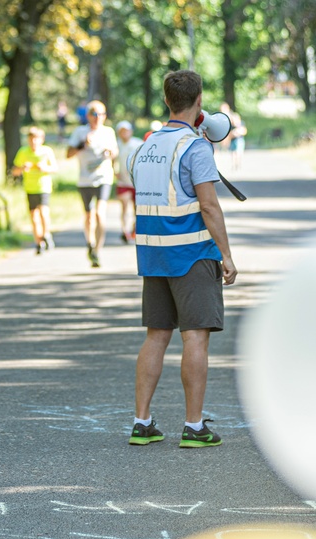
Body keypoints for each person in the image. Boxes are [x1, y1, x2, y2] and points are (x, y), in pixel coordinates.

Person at [126, 70, 237, 449]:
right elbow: (208, 204)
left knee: (156, 335)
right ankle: (193, 426)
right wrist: (226, 254)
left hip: (152, 253)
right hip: (191, 254)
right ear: (199, 100)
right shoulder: (195, 147)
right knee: (195, 337)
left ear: (166, 100)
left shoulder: (145, 147)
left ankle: (142, 422)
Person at [66, 100, 118, 268]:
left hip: (104, 178)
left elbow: (115, 152)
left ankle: (97, 250)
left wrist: (110, 153)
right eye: (95, 114)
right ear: (88, 116)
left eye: (102, 114)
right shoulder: (80, 132)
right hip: (85, 179)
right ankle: (90, 242)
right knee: (89, 216)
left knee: (100, 214)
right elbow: (68, 154)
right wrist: (83, 145)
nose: (98, 118)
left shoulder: (108, 132)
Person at [12, 127, 58, 254]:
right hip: (30, 187)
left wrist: (44, 168)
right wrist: (22, 168)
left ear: (41, 140)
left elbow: (55, 168)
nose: (33, 143)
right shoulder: (23, 152)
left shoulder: (47, 151)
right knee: (34, 216)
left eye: (36, 140)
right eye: (31, 140)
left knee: (43, 212)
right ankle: (39, 242)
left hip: (44, 187)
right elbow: (14, 171)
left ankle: (46, 234)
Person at [114, 121, 143, 244]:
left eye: (126, 131)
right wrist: (114, 172)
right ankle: (124, 231)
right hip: (122, 182)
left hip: (136, 182)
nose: (124, 133)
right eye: (122, 131)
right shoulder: (116, 145)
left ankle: (134, 228)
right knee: (124, 206)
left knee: (137, 208)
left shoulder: (138, 143)